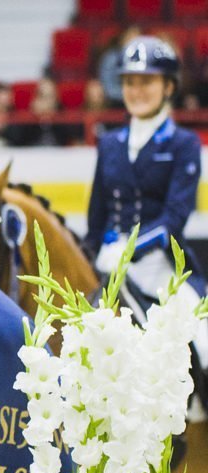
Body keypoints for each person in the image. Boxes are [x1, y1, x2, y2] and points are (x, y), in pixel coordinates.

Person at [85, 36, 207, 359]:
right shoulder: (109, 143)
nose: (136, 91)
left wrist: (129, 251)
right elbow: (96, 216)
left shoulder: (183, 144)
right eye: (130, 82)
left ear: (168, 87)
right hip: (105, 261)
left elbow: (174, 219)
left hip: (160, 266)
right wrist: (90, 254)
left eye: (147, 82)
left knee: (206, 341)